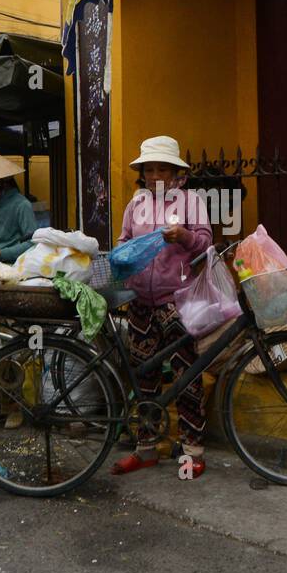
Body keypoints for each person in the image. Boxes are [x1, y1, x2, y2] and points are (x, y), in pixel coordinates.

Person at [109, 135, 214, 479]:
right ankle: (146, 449)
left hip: (176, 300)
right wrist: (124, 251)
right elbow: (124, 239)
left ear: (174, 173)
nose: (155, 175)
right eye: (149, 169)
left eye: (161, 169)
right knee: (144, 377)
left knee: (186, 375)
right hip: (140, 300)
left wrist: (182, 235)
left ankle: (192, 451)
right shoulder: (135, 203)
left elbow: (204, 243)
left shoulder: (190, 201)